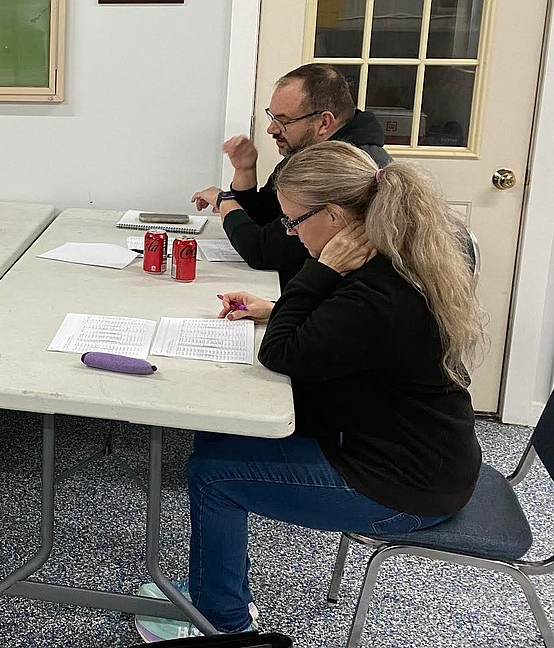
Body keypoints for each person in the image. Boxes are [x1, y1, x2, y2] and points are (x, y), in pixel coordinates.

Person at [134, 141, 484, 641]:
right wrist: (275, 308)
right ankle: (217, 591)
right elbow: (334, 329)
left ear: (336, 217)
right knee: (215, 438)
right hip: (403, 449)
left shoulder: (374, 290)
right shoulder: (387, 261)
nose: (290, 234)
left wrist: (317, 274)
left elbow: (280, 354)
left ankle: (223, 624)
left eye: (294, 222)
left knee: (213, 476)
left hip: (407, 487)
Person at [192, 64, 391, 289]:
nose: (271, 129)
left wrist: (224, 200)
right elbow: (265, 216)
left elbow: (264, 251)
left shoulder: (340, 169)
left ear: (324, 122)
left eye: (284, 121)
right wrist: (245, 171)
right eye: (272, 117)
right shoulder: (310, 150)